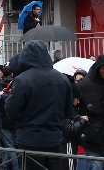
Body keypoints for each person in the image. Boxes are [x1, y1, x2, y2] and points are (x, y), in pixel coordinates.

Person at [5, 40, 72, 170]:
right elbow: (68, 111)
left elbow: (11, 110)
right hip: (55, 139)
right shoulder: (62, 79)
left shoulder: (23, 80)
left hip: (29, 140)